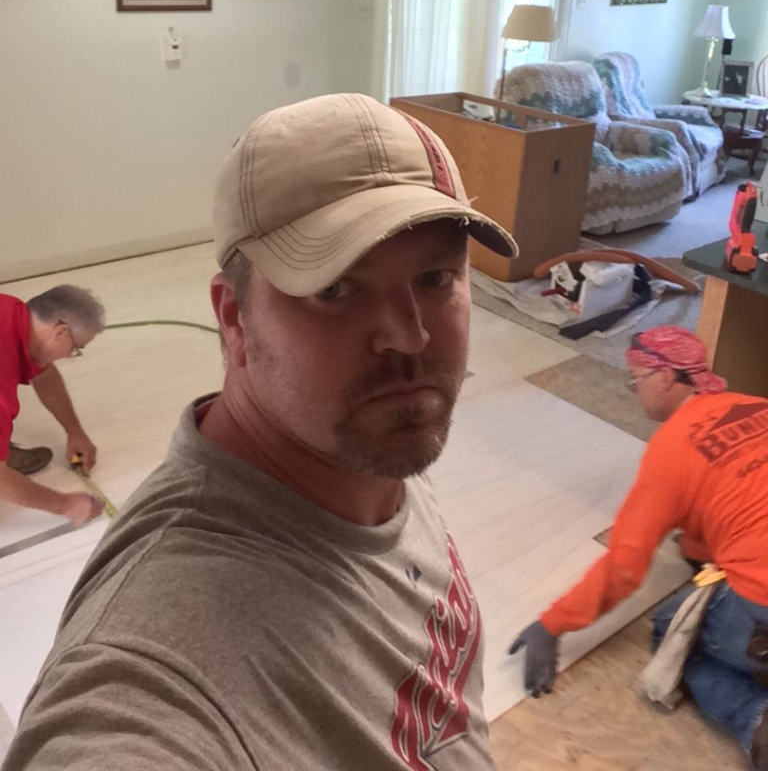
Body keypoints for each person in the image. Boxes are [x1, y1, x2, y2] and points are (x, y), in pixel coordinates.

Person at [4, 93, 518, 771]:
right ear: (234, 318)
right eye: (334, 288)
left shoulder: (364, 448)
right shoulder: (156, 656)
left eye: (435, 277)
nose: (409, 336)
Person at [509, 325, 768, 770]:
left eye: (635, 380)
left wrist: (552, 624)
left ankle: (757, 720)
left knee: (672, 635)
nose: (634, 392)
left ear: (666, 377)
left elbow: (626, 566)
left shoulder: (673, 448)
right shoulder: (756, 405)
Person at [0, 286, 106, 528]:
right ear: (60, 332)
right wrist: (65, 505)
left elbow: (45, 376)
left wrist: (74, 430)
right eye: (75, 349)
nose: (70, 355)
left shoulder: (13, 315)